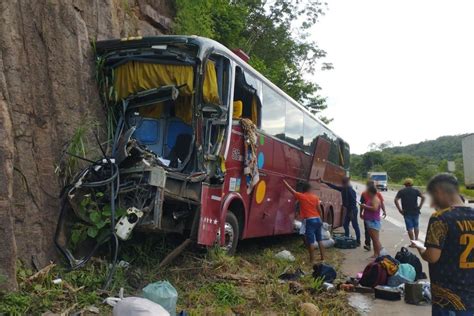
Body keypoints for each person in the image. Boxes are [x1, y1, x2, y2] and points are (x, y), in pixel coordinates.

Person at [411, 173, 474, 315]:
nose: (433, 204)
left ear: (439, 191)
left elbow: (432, 257)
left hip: (448, 299)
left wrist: (421, 248)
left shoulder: (441, 218)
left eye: (433, 198)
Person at [283, 179, 325, 263]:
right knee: (320, 239)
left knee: (311, 241)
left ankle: (312, 260)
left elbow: (291, 190)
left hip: (310, 220)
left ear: (303, 190)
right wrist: (320, 219)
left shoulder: (302, 196)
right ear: (310, 189)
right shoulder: (315, 197)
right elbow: (319, 210)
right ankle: (323, 258)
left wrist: (284, 182)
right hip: (318, 219)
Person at [320, 176, 361, 246]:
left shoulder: (350, 190)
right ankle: (347, 237)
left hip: (352, 210)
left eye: (343, 183)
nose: (342, 184)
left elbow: (353, 201)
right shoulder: (344, 189)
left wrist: (350, 212)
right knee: (345, 224)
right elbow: (334, 187)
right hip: (349, 210)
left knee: (355, 225)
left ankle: (358, 241)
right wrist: (324, 182)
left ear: (345, 183)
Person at [394, 178, 426, 244]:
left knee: (409, 228)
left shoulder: (401, 191)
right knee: (416, 226)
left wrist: (400, 209)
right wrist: (420, 206)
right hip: (415, 211)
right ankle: (416, 240)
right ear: (412, 184)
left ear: (405, 184)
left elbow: (395, 200)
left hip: (406, 212)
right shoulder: (416, 190)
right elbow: (423, 197)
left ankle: (413, 242)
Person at [360, 180, 386, 251]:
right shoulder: (372, 196)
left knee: (375, 239)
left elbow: (375, 208)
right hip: (369, 218)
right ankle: (376, 253)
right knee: (373, 237)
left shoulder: (375, 197)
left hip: (373, 220)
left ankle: (380, 253)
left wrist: (364, 208)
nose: (367, 193)